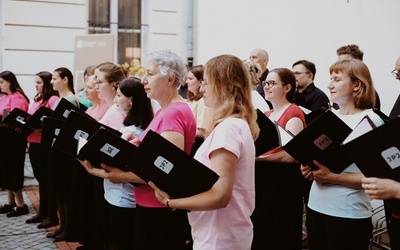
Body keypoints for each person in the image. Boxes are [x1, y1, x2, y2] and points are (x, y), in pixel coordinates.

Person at [148, 54, 259, 250]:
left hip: (219, 237)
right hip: (219, 233)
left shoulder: (229, 128)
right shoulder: (234, 125)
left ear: (224, 86)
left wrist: (170, 202)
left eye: (206, 83)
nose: (201, 89)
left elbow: (220, 196)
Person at [86, 49, 196, 250]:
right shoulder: (166, 109)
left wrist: (122, 176)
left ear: (170, 79)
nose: (144, 80)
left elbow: (165, 170)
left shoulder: (173, 112)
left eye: (150, 74)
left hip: (158, 207)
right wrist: (137, 143)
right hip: (151, 203)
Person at [300, 59, 384, 250]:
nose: (330, 85)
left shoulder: (371, 121)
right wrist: (307, 167)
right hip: (316, 206)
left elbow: (375, 177)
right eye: (330, 79)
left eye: (337, 79)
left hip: (348, 213)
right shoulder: (328, 117)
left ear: (357, 85)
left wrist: (332, 177)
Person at [79, 77, 154, 249]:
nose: (114, 99)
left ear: (132, 100)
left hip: (122, 198)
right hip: (116, 196)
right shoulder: (132, 129)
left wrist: (92, 168)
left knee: (119, 243)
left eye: (119, 95)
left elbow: (120, 171)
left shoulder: (134, 131)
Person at [65, 62, 128, 249]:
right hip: (106, 179)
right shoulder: (111, 109)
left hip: (114, 180)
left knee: (114, 236)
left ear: (114, 85)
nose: (94, 84)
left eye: (99, 81)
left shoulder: (116, 112)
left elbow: (115, 148)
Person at [251, 68, 306, 250]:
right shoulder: (266, 115)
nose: (266, 87)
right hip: (264, 181)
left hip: (283, 184)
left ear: (287, 87)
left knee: (279, 233)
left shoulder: (293, 112)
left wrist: (257, 159)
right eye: (265, 83)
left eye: (272, 83)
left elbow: (291, 154)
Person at [291, 59, 330, 247]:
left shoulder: (319, 96)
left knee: (308, 196)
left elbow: (319, 126)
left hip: (313, 154)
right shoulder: (293, 95)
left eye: (298, 73)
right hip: (299, 154)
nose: (295, 76)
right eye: (293, 73)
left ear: (310, 75)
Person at [46, 67, 80, 242]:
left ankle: (67, 227)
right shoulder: (58, 100)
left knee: (64, 190)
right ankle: (62, 226)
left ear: (65, 79)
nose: (51, 82)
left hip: (65, 152)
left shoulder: (72, 99)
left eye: (54, 78)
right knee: (59, 190)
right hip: (57, 148)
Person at [25, 71, 59, 228]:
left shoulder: (53, 99)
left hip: (45, 145)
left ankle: (51, 215)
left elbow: (54, 122)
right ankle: (42, 212)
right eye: (35, 82)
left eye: (39, 82)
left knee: (48, 180)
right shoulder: (37, 99)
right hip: (33, 142)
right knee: (40, 179)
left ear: (46, 84)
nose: (36, 85)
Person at [0, 71, 30, 217]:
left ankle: (21, 204)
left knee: (13, 170)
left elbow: (17, 120)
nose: (0, 85)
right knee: (6, 170)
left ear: (10, 82)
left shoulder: (18, 98)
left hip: (14, 140)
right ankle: (10, 201)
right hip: (5, 140)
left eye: (2, 82)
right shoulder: (5, 97)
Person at [336, 44, 381, 110]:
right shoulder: (339, 90)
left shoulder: (367, 93)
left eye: (345, 62)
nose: (339, 66)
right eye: (339, 63)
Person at [185, 65, 213, 156]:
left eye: (190, 78)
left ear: (200, 82)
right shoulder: (193, 101)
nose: (186, 81)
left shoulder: (202, 103)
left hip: (197, 145)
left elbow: (202, 131)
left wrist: (181, 131)